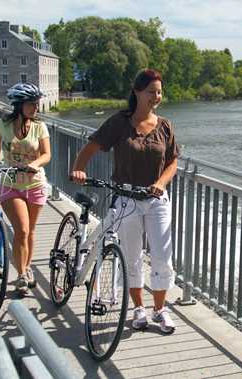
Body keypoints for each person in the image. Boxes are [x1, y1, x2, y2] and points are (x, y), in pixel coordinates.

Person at [70, 69, 179, 334]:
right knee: (131, 258)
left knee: (162, 258)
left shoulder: (164, 125)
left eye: (159, 92)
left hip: (156, 200)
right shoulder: (119, 122)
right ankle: (139, 309)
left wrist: (160, 183)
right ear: (137, 92)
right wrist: (79, 168)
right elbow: (91, 147)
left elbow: (173, 161)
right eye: (152, 91)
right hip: (126, 200)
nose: (157, 96)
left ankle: (160, 309)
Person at [0, 83, 51, 295]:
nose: (36, 108)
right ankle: (21, 275)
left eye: (37, 104)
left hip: (36, 184)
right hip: (11, 184)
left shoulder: (40, 126)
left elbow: (47, 154)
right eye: (32, 104)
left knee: (29, 231)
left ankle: (26, 268)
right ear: (19, 105)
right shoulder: (4, 123)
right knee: (21, 229)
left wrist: (35, 164)